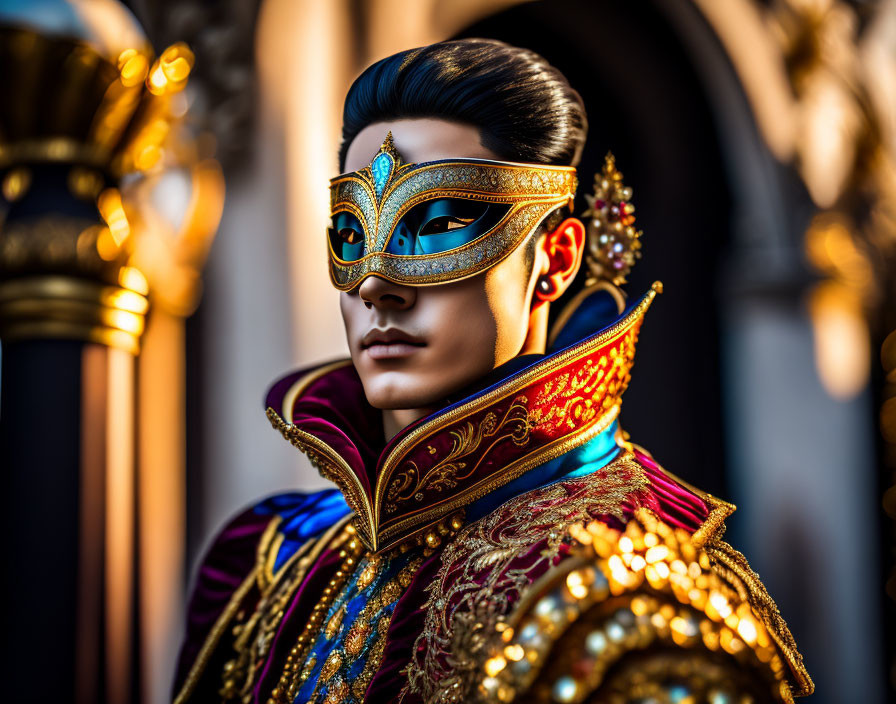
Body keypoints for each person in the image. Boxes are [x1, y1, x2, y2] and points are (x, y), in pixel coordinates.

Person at [173, 39, 812, 704]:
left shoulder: (628, 604)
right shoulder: (277, 563)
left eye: (441, 223)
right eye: (352, 234)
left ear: (556, 260)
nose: (377, 284)